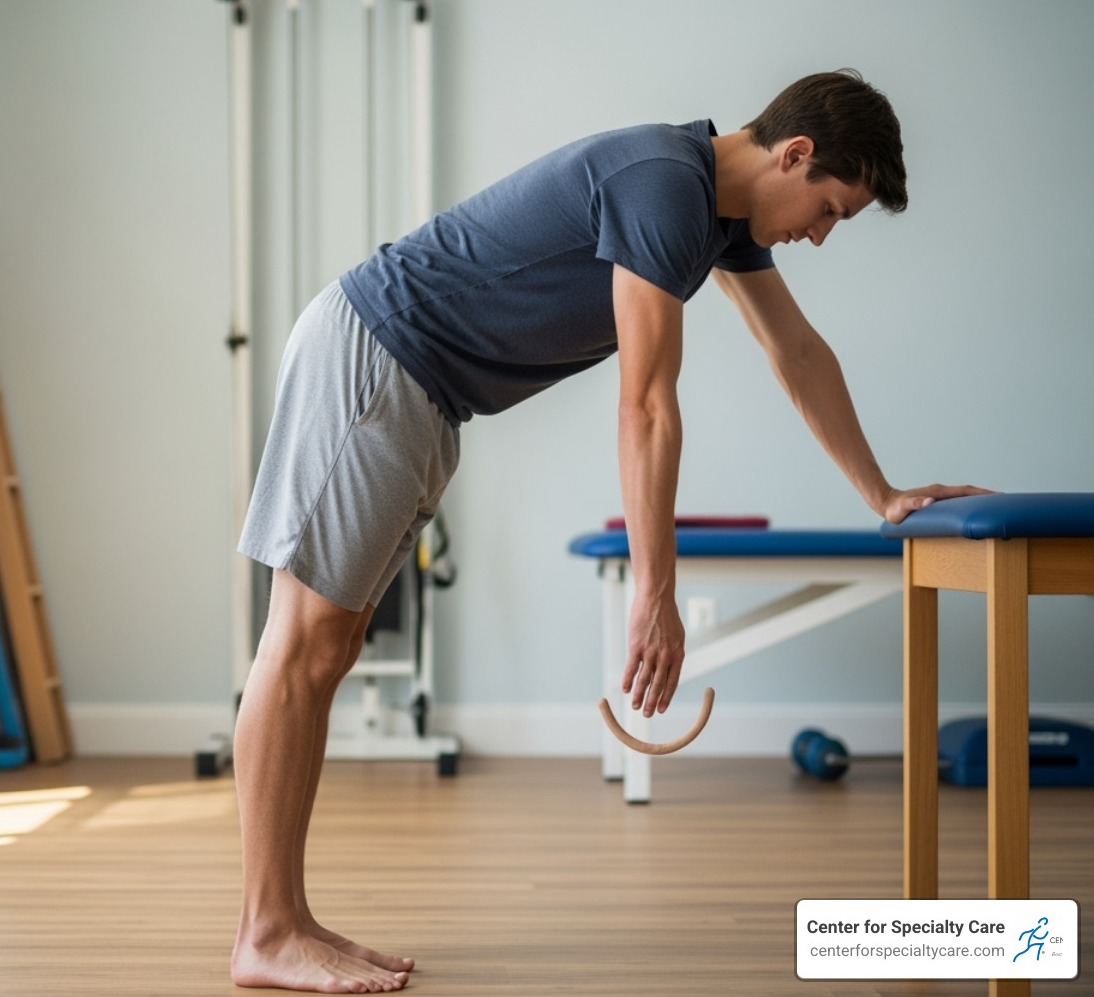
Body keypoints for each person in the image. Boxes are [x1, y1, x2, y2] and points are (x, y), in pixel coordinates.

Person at [227, 69, 990, 994]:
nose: (821, 234)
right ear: (793, 156)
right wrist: (654, 594)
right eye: (828, 208)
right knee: (303, 644)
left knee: (330, 647)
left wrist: (884, 493)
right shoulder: (665, 184)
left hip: (424, 395)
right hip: (379, 357)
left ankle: (287, 922)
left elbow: (795, 351)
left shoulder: (717, 218)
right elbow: (647, 405)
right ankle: (265, 932)